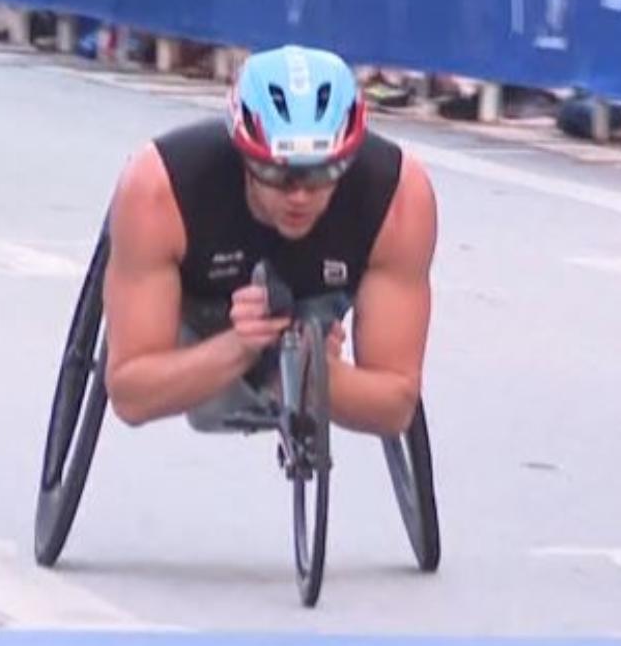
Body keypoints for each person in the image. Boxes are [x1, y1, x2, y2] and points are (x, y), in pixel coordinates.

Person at [101, 44, 438, 439]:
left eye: (321, 173)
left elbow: (396, 406)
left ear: (349, 158)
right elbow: (130, 394)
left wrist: (321, 380)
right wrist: (238, 348)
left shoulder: (398, 195)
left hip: (323, 297)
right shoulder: (159, 188)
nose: (299, 195)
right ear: (243, 153)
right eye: (275, 172)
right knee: (211, 398)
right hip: (207, 306)